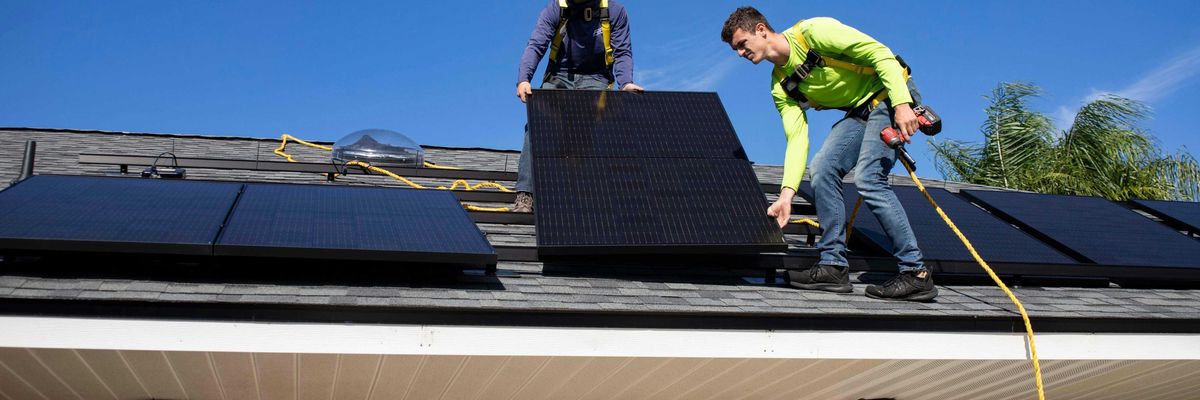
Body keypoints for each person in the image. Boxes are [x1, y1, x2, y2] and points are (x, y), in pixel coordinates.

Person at [720, 7, 937, 301]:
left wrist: (901, 104)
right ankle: (833, 265)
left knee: (869, 179)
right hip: (860, 113)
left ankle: (916, 273)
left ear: (760, 29)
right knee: (822, 169)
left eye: (742, 45)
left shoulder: (813, 33)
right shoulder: (781, 86)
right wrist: (786, 195)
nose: (740, 54)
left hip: (888, 94)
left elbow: (881, 54)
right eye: (735, 50)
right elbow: (797, 139)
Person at [513, 0, 644, 213]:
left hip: (596, 77)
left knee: (590, 128)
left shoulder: (614, 11)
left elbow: (622, 52)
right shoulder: (556, 8)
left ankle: (585, 192)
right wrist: (523, 79)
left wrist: (626, 82)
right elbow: (536, 45)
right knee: (537, 125)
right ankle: (526, 193)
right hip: (560, 75)